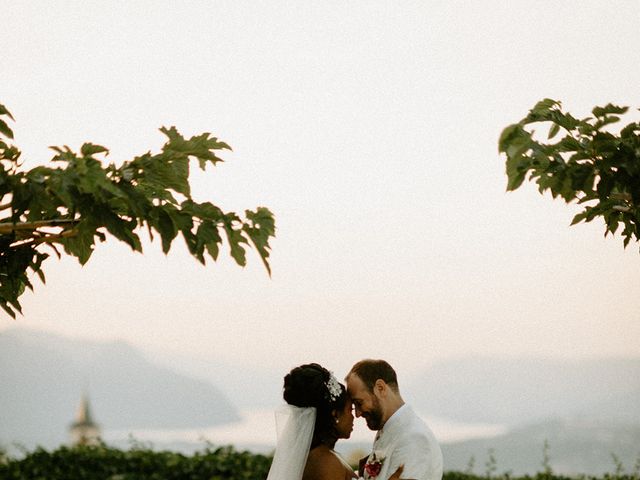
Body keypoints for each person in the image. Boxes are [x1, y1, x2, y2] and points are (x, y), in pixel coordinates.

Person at [266, 363, 405, 480]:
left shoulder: (319, 456)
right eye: (350, 410)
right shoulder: (325, 463)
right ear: (335, 415)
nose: (355, 416)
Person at [346, 359, 443, 480]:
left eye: (359, 403)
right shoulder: (390, 431)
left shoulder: (414, 438)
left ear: (380, 388)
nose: (357, 414)